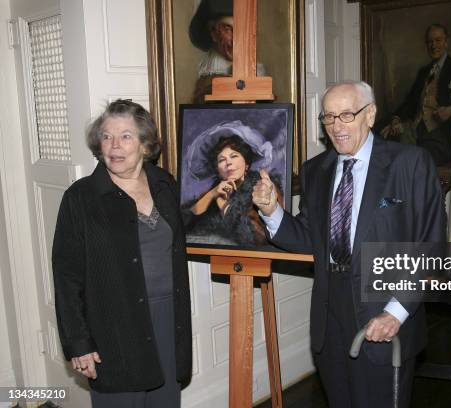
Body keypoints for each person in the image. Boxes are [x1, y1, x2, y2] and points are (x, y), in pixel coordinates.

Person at [253, 81, 446, 407]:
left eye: (346, 115)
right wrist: (273, 211)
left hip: (385, 315)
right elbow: (309, 240)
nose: (336, 127)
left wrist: (395, 313)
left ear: (370, 115)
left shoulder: (409, 163)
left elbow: (431, 248)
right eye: (328, 118)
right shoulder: (317, 170)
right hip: (331, 322)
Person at [52, 100, 192, 407]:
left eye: (126, 136)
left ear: (145, 144)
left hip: (169, 321)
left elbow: (186, 228)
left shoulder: (164, 183)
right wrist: (79, 343)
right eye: (106, 136)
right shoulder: (81, 198)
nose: (114, 145)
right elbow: (66, 277)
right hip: (113, 329)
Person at [381, 23, 451, 166]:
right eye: (430, 42)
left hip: (442, 135)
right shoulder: (424, 72)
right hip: (415, 131)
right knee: (388, 146)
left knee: (417, 162)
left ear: (446, 42)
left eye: (438, 40)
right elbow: (410, 102)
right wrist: (396, 119)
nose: (433, 45)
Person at [183, 127, 283, 247]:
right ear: (217, 170)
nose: (228, 163)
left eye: (234, 156)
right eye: (222, 160)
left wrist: (224, 206)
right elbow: (184, 224)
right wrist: (212, 194)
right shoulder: (211, 193)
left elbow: (259, 239)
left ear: (246, 163)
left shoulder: (263, 190)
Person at [189, 0, 265, 103]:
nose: (235, 39)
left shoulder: (257, 72)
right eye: (227, 29)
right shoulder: (207, 80)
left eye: (240, 28)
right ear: (214, 34)